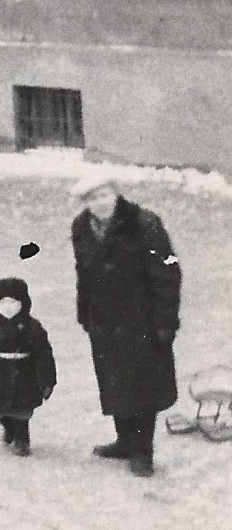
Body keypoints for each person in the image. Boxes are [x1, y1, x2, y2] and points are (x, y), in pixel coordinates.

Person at [71, 173, 181, 478]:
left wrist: (165, 323)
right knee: (114, 382)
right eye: (93, 198)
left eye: (104, 195)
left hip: (141, 321)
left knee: (143, 387)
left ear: (116, 194)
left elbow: (168, 274)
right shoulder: (81, 228)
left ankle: (142, 452)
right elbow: (83, 272)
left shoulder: (144, 224)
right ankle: (124, 441)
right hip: (104, 322)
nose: (99, 202)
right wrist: (85, 311)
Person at [0, 277, 57, 457]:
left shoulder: (33, 327)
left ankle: (22, 439)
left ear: (23, 303)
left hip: (25, 376)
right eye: (3, 302)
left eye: (14, 301)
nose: (8, 306)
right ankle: (9, 428)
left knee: (22, 411)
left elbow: (44, 355)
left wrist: (47, 379)